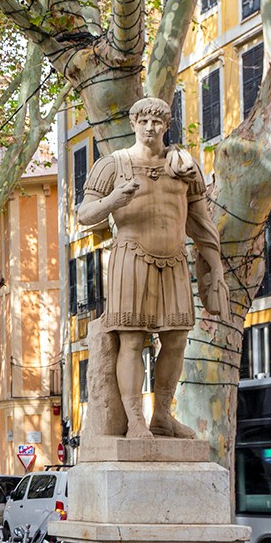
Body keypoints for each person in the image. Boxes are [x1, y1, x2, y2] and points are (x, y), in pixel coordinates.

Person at [77, 95, 229, 439]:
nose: (150, 127)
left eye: (157, 121)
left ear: (166, 124)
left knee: (176, 341)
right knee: (132, 341)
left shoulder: (184, 166)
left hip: (175, 260)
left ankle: (162, 414)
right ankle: (134, 421)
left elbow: (201, 222)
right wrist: (115, 199)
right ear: (133, 124)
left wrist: (215, 265)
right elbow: (84, 214)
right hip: (130, 257)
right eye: (143, 121)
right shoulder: (113, 164)